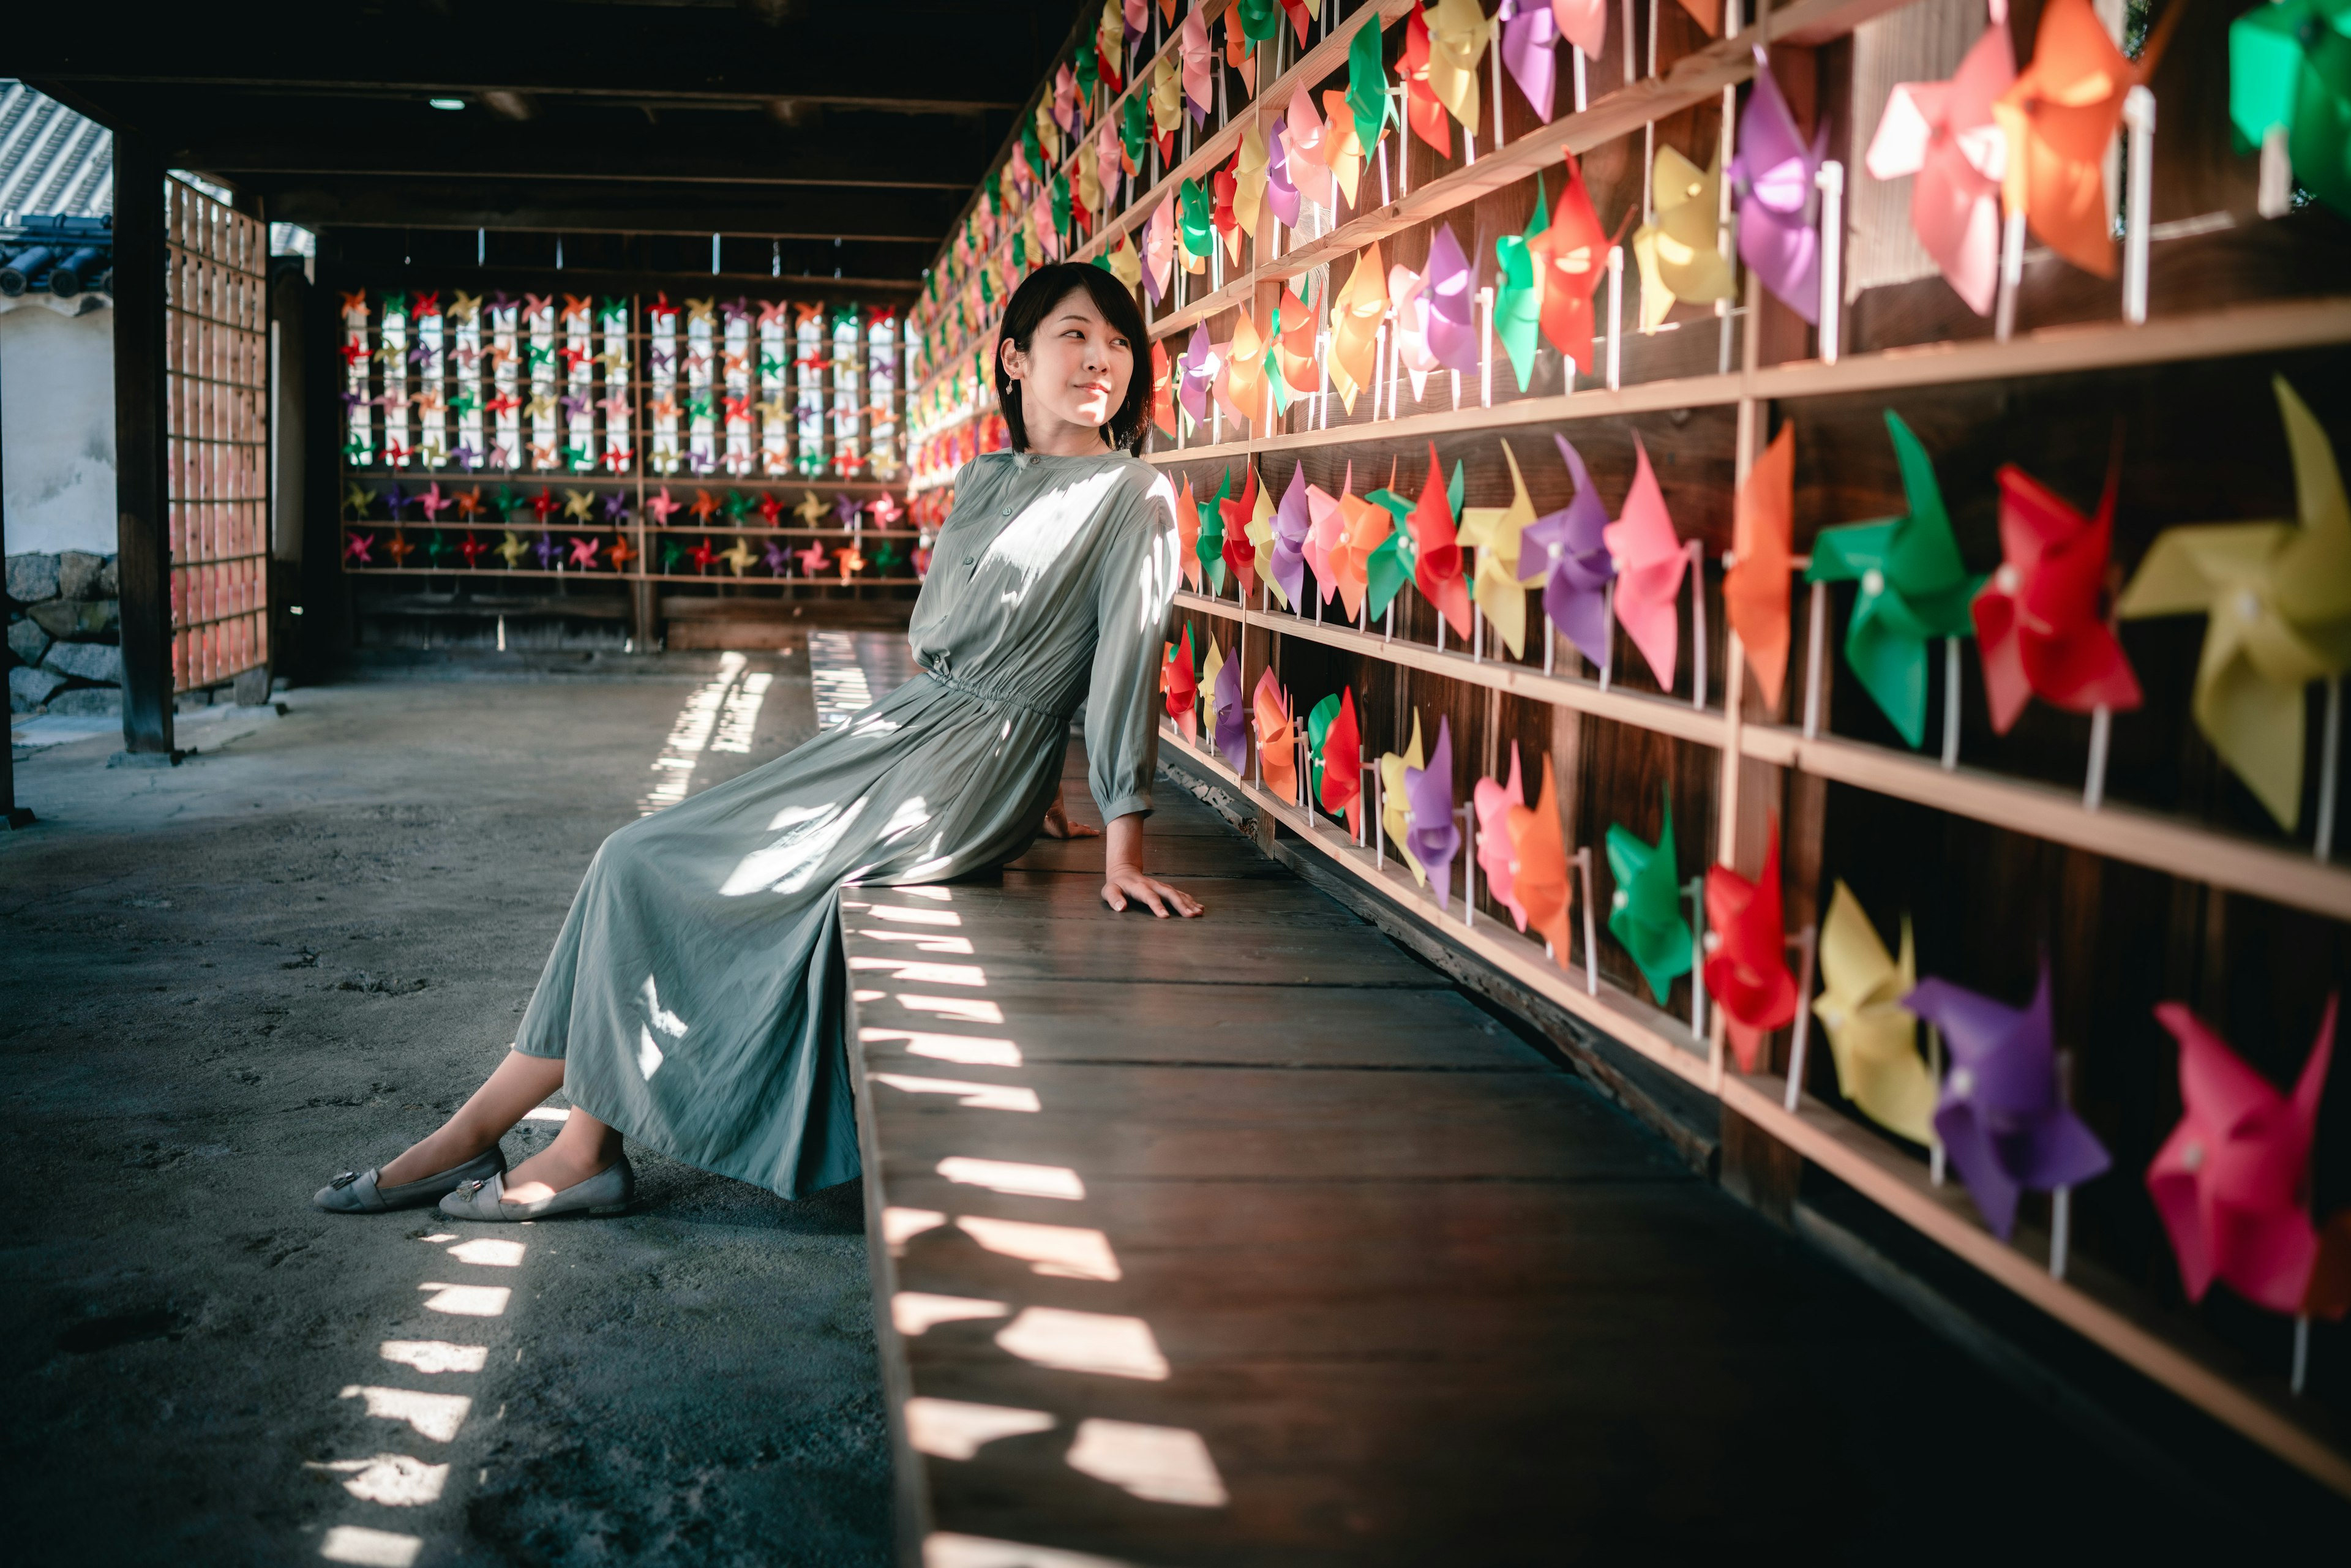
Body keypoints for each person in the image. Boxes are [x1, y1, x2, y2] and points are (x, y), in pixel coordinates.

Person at [315, 263, 1202, 1223]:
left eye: (1118, 341)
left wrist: (1122, 837)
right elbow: (960, 638)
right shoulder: (989, 478)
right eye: (1077, 334)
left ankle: (570, 1149)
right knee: (630, 858)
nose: (1102, 358)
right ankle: (488, 1132)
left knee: (662, 867)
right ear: (1014, 358)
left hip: (955, 780)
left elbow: (1124, 665)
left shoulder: (1135, 494)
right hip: (905, 734)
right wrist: (1044, 788)